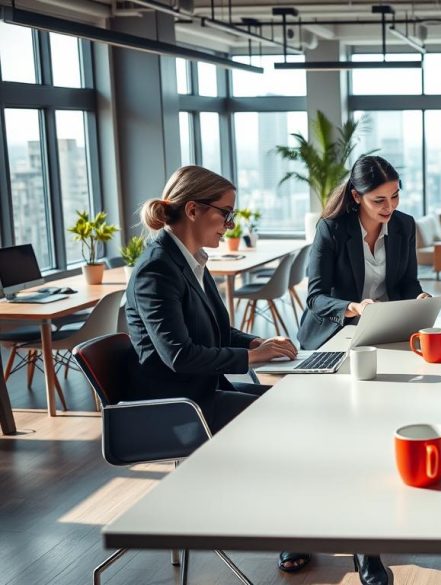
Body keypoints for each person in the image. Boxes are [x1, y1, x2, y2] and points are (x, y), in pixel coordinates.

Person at [126, 165, 307, 572]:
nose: (230, 223)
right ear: (193, 209)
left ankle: (296, 527)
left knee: (292, 406)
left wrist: (256, 343)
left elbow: (218, 330)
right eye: (225, 213)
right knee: (283, 421)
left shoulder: (190, 259)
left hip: (200, 390)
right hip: (174, 406)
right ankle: (289, 532)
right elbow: (179, 355)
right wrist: (252, 358)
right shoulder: (157, 269)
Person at [297, 155, 430, 352]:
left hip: (384, 330)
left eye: (395, 196)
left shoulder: (405, 225)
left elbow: (407, 282)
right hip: (335, 332)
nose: (390, 206)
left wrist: (419, 298)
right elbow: (316, 297)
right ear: (356, 196)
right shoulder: (331, 229)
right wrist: (354, 307)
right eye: (379, 200)